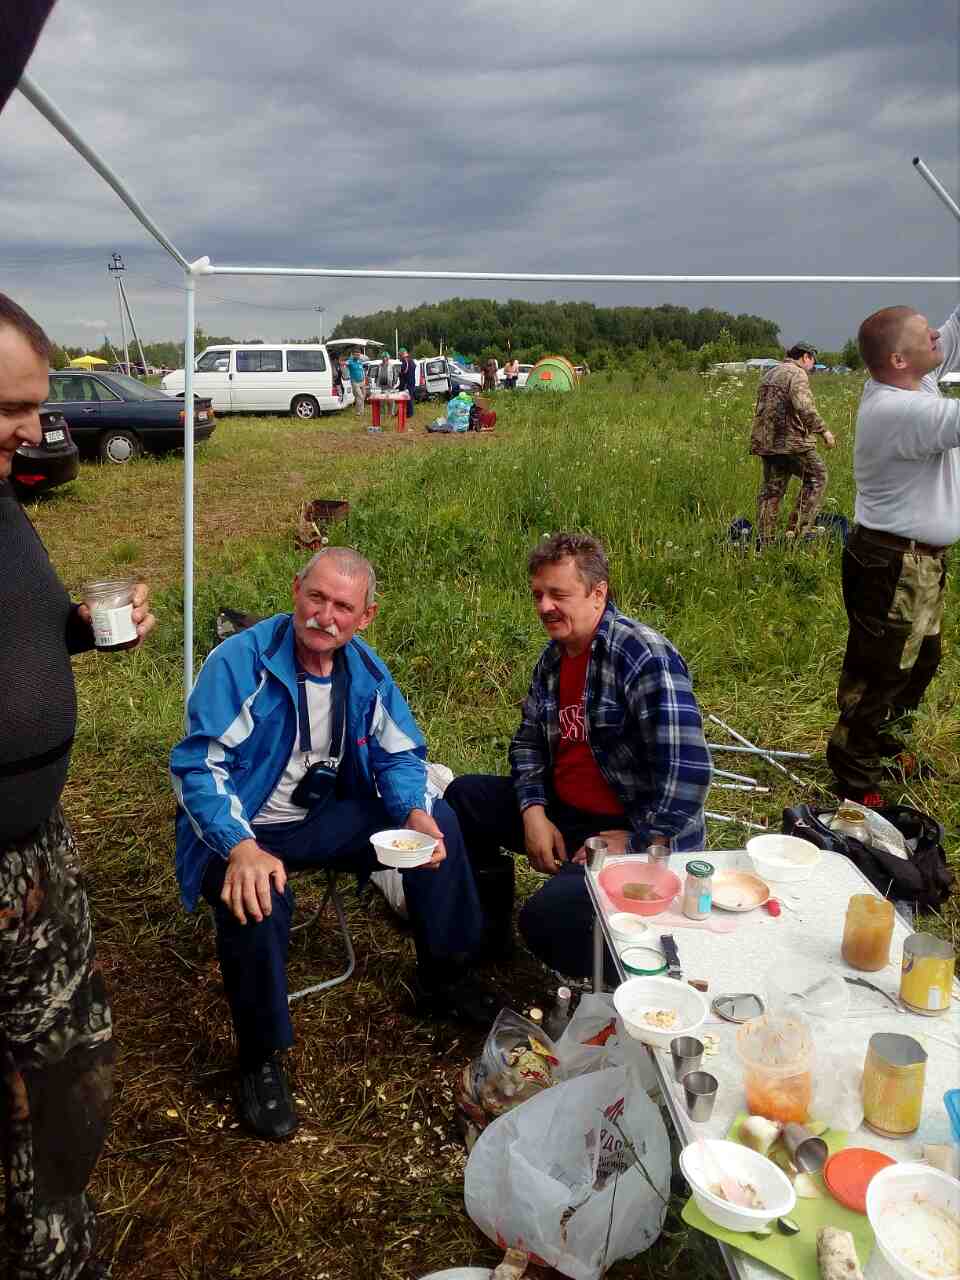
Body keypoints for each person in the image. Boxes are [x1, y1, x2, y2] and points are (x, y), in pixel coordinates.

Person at [170, 548, 495, 1141]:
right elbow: (198, 767)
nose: (325, 616)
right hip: (242, 826)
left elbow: (401, 753)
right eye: (316, 597)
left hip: (317, 816)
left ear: (365, 616)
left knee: (437, 825)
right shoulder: (240, 662)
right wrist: (239, 846)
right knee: (258, 895)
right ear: (296, 589)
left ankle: (446, 977)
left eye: (342, 606)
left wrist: (412, 810)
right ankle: (260, 1058)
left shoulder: (365, 671)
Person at [0, 293, 155, 1279]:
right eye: (11, 406)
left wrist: (82, 631)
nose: (32, 428)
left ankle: (54, 1240)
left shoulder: (3, 500)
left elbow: (22, 628)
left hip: (35, 847)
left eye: (36, 404)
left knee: (66, 1060)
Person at [445, 533, 712, 980]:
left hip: (634, 831)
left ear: (598, 593)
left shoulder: (641, 654)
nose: (544, 606)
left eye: (558, 594)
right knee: (463, 797)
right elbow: (528, 743)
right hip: (569, 813)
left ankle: (644, 968)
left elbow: (688, 772)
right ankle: (487, 939)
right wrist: (533, 812)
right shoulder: (553, 660)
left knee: (547, 922)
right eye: (538, 594)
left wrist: (636, 842)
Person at [826, 302, 960, 803]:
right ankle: (854, 774)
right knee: (881, 671)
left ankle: (884, 744)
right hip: (894, 564)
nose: (937, 339)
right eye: (927, 336)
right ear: (899, 359)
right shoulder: (898, 411)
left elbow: (956, 328)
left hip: (917, 562)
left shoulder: (914, 382)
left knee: (921, 661)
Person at [749, 342, 836, 544]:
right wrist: (824, 431)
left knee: (772, 491)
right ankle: (796, 534)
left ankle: (765, 541)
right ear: (806, 357)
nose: (812, 365)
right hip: (791, 442)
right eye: (813, 360)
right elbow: (804, 407)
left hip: (767, 442)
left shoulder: (770, 374)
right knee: (817, 477)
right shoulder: (797, 374)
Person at [346, 348, 366, 418]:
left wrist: (364, 379)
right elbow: (344, 364)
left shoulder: (360, 361)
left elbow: (362, 370)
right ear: (353, 355)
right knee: (360, 396)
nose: (358, 356)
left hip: (362, 381)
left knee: (360, 397)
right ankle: (359, 412)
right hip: (355, 382)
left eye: (358, 355)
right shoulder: (350, 361)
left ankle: (360, 412)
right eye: (356, 355)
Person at [397, 349, 416, 420]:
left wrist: (400, 373)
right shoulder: (411, 361)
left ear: (402, 355)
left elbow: (404, 373)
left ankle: (409, 414)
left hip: (407, 383)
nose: (399, 357)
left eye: (399, 355)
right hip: (411, 383)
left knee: (407, 399)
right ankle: (403, 412)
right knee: (408, 398)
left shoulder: (406, 362)